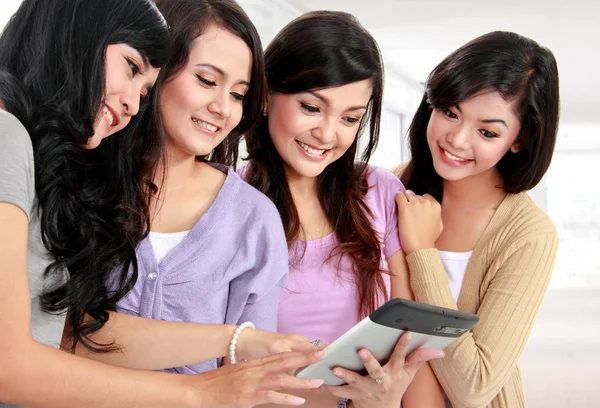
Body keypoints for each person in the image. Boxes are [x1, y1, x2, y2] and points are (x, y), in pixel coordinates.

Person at [0, 0, 323, 407]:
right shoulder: (18, 142)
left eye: (239, 94)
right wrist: (197, 391)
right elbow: (17, 359)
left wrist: (238, 340)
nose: (133, 103)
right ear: (79, 37)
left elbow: (68, 327)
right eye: (206, 80)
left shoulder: (40, 155)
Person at [244, 10, 445, 408]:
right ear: (266, 95)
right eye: (311, 107)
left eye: (350, 118)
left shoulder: (377, 191)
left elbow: (402, 343)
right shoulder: (231, 199)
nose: (327, 134)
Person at [393, 31, 560, 408]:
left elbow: (474, 388)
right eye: (450, 113)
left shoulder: (529, 234)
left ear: (519, 139)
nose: (457, 140)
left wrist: (422, 254)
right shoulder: (392, 187)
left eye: (487, 131)